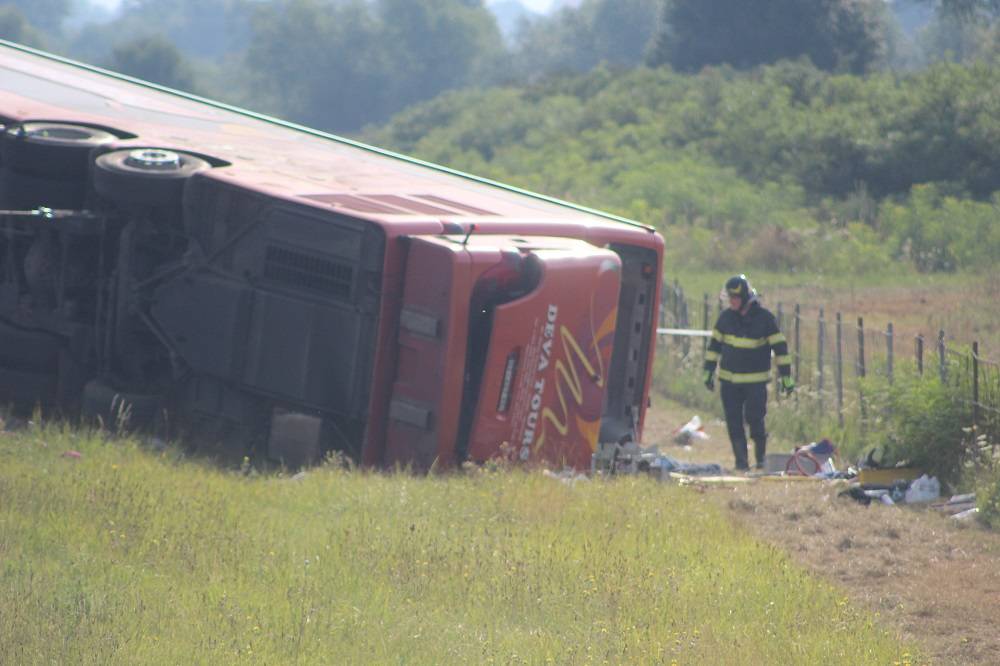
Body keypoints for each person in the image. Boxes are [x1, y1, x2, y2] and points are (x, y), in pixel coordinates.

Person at [702, 275, 793, 471]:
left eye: (734, 298)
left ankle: (760, 460)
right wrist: (708, 371)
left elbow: (780, 349)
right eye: (729, 298)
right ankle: (741, 463)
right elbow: (714, 347)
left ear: (744, 298)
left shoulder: (765, 319)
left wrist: (786, 376)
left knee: (755, 418)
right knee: (734, 422)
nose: (731, 302)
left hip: (756, 382)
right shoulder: (725, 318)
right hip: (728, 382)